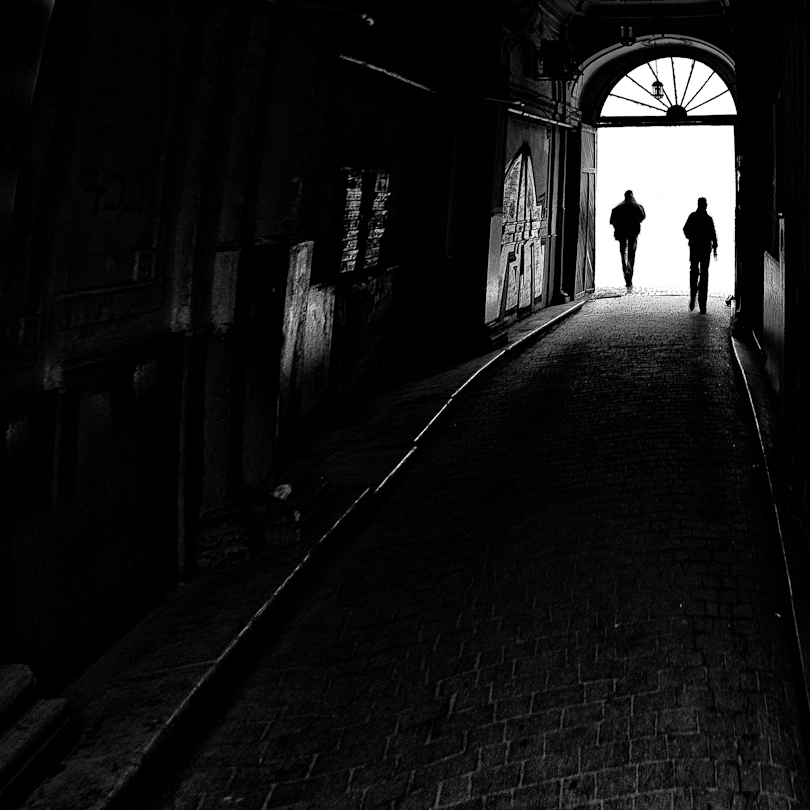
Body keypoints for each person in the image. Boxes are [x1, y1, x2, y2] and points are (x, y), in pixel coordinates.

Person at [682, 197, 718, 313]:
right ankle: (702, 305)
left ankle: (693, 296)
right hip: (705, 250)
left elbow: (685, 229)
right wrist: (715, 248)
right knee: (704, 275)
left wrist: (692, 238)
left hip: (694, 248)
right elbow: (713, 234)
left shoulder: (693, 216)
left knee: (693, 272)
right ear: (705, 205)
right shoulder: (708, 219)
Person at [609, 190, 646, 290]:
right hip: (633, 233)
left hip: (621, 233)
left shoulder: (617, 208)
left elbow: (611, 220)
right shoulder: (638, 206)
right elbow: (642, 217)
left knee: (623, 253)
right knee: (631, 253)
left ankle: (625, 269)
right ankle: (629, 271)